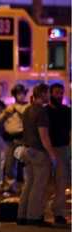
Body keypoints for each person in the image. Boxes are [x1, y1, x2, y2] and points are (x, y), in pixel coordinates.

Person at [17, 83, 56, 227]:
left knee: (29, 184)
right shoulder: (41, 112)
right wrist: (52, 154)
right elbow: (44, 136)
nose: (49, 96)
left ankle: (22, 215)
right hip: (38, 152)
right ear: (43, 94)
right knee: (38, 186)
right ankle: (33, 217)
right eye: (48, 93)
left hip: (26, 151)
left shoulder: (27, 110)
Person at [44, 83, 71, 224]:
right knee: (44, 182)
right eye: (56, 93)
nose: (59, 96)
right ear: (50, 94)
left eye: (61, 93)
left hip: (62, 149)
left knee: (61, 183)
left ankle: (59, 213)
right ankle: (39, 211)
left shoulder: (67, 111)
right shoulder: (45, 112)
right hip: (47, 150)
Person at [3, 84, 29, 193]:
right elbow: (2, 119)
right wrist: (6, 111)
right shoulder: (10, 107)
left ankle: (28, 186)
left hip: (22, 138)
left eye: (22, 94)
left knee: (26, 164)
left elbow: (24, 113)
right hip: (10, 139)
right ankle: (9, 186)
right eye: (18, 94)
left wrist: (15, 107)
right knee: (10, 164)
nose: (21, 96)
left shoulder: (27, 107)